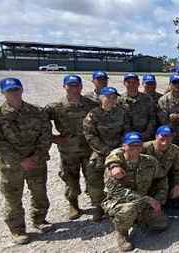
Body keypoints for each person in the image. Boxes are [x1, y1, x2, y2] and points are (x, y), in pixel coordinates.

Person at [0, 78, 53, 244]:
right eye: (10, 91)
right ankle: (17, 230)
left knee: (39, 193)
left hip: (36, 161)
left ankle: (39, 220)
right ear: (3, 93)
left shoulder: (37, 111)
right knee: (12, 198)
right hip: (11, 166)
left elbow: (46, 135)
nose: (14, 94)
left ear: (22, 90)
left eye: (16, 90)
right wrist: (20, 160)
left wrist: (36, 156)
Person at [103, 132, 167, 252]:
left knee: (161, 224)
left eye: (138, 145)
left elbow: (162, 178)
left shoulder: (150, 161)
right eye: (131, 145)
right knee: (128, 210)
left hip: (144, 200)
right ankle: (122, 233)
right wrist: (147, 199)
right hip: (120, 202)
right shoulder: (115, 167)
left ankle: (139, 218)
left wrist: (159, 197)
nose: (135, 148)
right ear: (123, 146)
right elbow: (116, 191)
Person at [45, 74, 99, 220]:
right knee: (70, 178)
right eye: (70, 85)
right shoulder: (55, 107)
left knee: (93, 177)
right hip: (68, 151)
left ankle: (97, 204)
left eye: (77, 85)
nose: (74, 89)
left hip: (89, 149)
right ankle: (73, 204)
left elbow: (101, 121)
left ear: (81, 87)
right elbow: (38, 124)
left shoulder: (91, 104)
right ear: (64, 87)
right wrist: (54, 138)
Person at [83, 86, 131, 222]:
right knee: (94, 177)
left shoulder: (122, 113)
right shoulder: (93, 114)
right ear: (101, 98)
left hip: (119, 150)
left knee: (123, 176)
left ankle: (120, 204)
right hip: (100, 151)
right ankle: (98, 206)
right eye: (108, 97)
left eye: (114, 97)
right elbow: (90, 135)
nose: (111, 100)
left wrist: (119, 150)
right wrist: (106, 151)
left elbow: (126, 131)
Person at [142, 125, 179, 207]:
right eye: (163, 136)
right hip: (143, 180)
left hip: (160, 180)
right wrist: (114, 165)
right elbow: (123, 150)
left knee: (160, 201)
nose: (166, 139)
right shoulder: (144, 147)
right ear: (156, 136)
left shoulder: (175, 150)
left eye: (169, 136)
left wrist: (178, 185)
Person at [119, 73, 157, 141]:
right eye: (129, 82)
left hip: (146, 137)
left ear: (138, 83)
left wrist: (146, 134)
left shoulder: (147, 99)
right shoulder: (119, 100)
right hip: (126, 138)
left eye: (134, 82)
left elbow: (152, 119)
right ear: (124, 83)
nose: (131, 84)